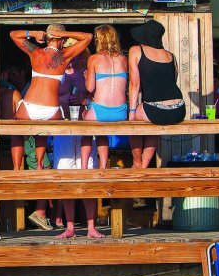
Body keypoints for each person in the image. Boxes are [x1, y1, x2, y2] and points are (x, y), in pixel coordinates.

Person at [9, 24, 93, 230]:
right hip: (51, 108)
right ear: (62, 40)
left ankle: (17, 168)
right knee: (44, 131)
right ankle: (39, 163)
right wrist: (65, 34)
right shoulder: (64, 57)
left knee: (16, 128)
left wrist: (32, 34)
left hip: (30, 106)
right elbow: (88, 37)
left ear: (46, 38)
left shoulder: (35, 52)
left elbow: (13, 34)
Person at [127, 20, 186, 169]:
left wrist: (132, 112)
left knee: (134, 123)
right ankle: (145, 166)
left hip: (155, 109)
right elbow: (172, 80)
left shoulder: (136, 50)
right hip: (179, 109)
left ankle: (137, 163)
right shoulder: (170, 55)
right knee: (153, 123)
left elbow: (134, 85)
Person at [81, 25, 129, 170]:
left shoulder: (94, 58)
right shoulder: (123, 59)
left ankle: (83, 168)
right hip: (120, 111)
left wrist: (85, 77)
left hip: (100, 109)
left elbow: (90, 88)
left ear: (98, 39)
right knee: (102, 133)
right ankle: (103, 166)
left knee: (86, 129)